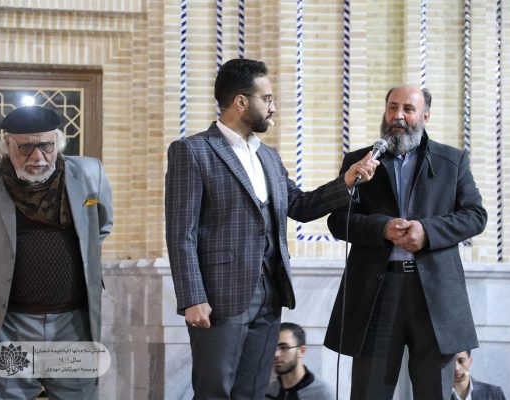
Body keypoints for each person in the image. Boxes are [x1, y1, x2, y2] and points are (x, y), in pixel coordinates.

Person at [165, 58, 379, 400]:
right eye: (266, 99)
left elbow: (300, 206)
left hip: (270, 293)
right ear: (240, 101)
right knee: (213, 391)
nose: (273, 107)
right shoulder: (192, 151)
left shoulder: (269, 157)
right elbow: (181, 233)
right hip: (219, 298)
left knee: (253, 391)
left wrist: (347, 181)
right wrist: (193, 298)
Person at [323, 84, 487, 399]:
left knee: (433, 391)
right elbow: (338, 221)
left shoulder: (451, 161)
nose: (398, 116)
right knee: (369, 391)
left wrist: (427, 232)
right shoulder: (359, 161)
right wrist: (382, 228)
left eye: (408, 109)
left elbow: (475, 216)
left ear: (425, 116)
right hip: (378, 292)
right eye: (393, 107)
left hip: (434, 295)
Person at [0, 106, 113, 399]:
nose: (37, 157)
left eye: (45, 145)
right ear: (7, 144)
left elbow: (101, 227)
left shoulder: (90, 173)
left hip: (72, 327)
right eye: (25, 147)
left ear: (58, 142)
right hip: (9, 326)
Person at [265, 322, 334, 400]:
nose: (276, 354)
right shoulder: (266, 392)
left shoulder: (322, 394)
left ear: (301, 351)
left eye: (284, 348)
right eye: (273, 348)